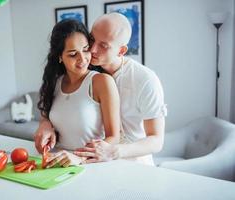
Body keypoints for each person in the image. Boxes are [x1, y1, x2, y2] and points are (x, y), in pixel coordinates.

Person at [35, 13, 166, 166]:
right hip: (96, 163)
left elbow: (156, 141)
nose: (92, 49)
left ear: (121, 51)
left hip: (134, 163)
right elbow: (57, 99)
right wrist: (45, 122)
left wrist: (115, 150)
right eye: (91, 39)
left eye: (103, 45)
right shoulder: (83, 64)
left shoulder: (145, 79)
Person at [36, 19, 120, 168]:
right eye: (73, 54)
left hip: (90, 166)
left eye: (86, 49)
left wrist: (78, 158)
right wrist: (45, 124)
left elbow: (114, 138)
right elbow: (47, 116)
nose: (83, 59)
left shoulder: (102, 82)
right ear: (60, 57)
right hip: (54, 165)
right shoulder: (54, 83)